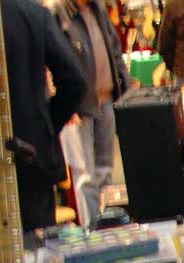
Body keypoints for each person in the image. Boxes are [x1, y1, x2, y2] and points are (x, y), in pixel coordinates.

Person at [1, 0, 86, 233]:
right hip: (31, 157)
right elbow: (75, 81)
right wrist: (46, 125)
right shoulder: (32, 15)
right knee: (37, 248)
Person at [48, 0, 131, 228]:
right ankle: (92, 229)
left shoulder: (97, 9)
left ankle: (107, 226)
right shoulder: (59, 12)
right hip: (78, 107)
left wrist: (124, 88)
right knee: (85, 175)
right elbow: (53, 62)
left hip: (105, 99)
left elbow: (114, 50)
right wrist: (66, 105)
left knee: (105, 170)